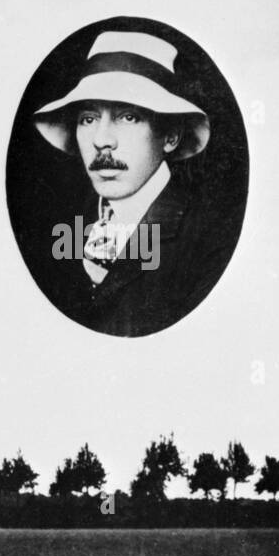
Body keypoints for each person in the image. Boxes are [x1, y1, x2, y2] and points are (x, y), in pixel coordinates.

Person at [31, 30, 235, 337]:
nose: (102, 140)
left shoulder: (212, 239)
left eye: (128, 117)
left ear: (170, 136)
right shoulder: (61, 221)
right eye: (88, 118)